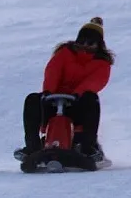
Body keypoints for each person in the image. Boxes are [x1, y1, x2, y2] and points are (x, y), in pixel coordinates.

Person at [14, 17, 114, 162]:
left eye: (90, 43)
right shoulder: (65, 53)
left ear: (98, 45)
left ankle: (88, 146)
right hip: (53, 100)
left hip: (78, 104)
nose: (85, 46)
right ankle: (32, 146)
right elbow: (53, 72)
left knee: (91, 99)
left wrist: (78, 94)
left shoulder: (101, 62)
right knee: (32, 99)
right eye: (81, 41)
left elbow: (97, 80)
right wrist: (48, 92)